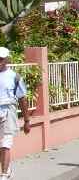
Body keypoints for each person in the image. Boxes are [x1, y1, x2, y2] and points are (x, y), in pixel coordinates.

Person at [0, 47, 29, 180]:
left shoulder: (15, 77)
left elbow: (22, 99)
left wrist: (27, 121)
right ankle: (6, 169)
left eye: (1, 59)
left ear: (7, 60)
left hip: (8, 113)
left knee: (5, 144)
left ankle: (4, 173)